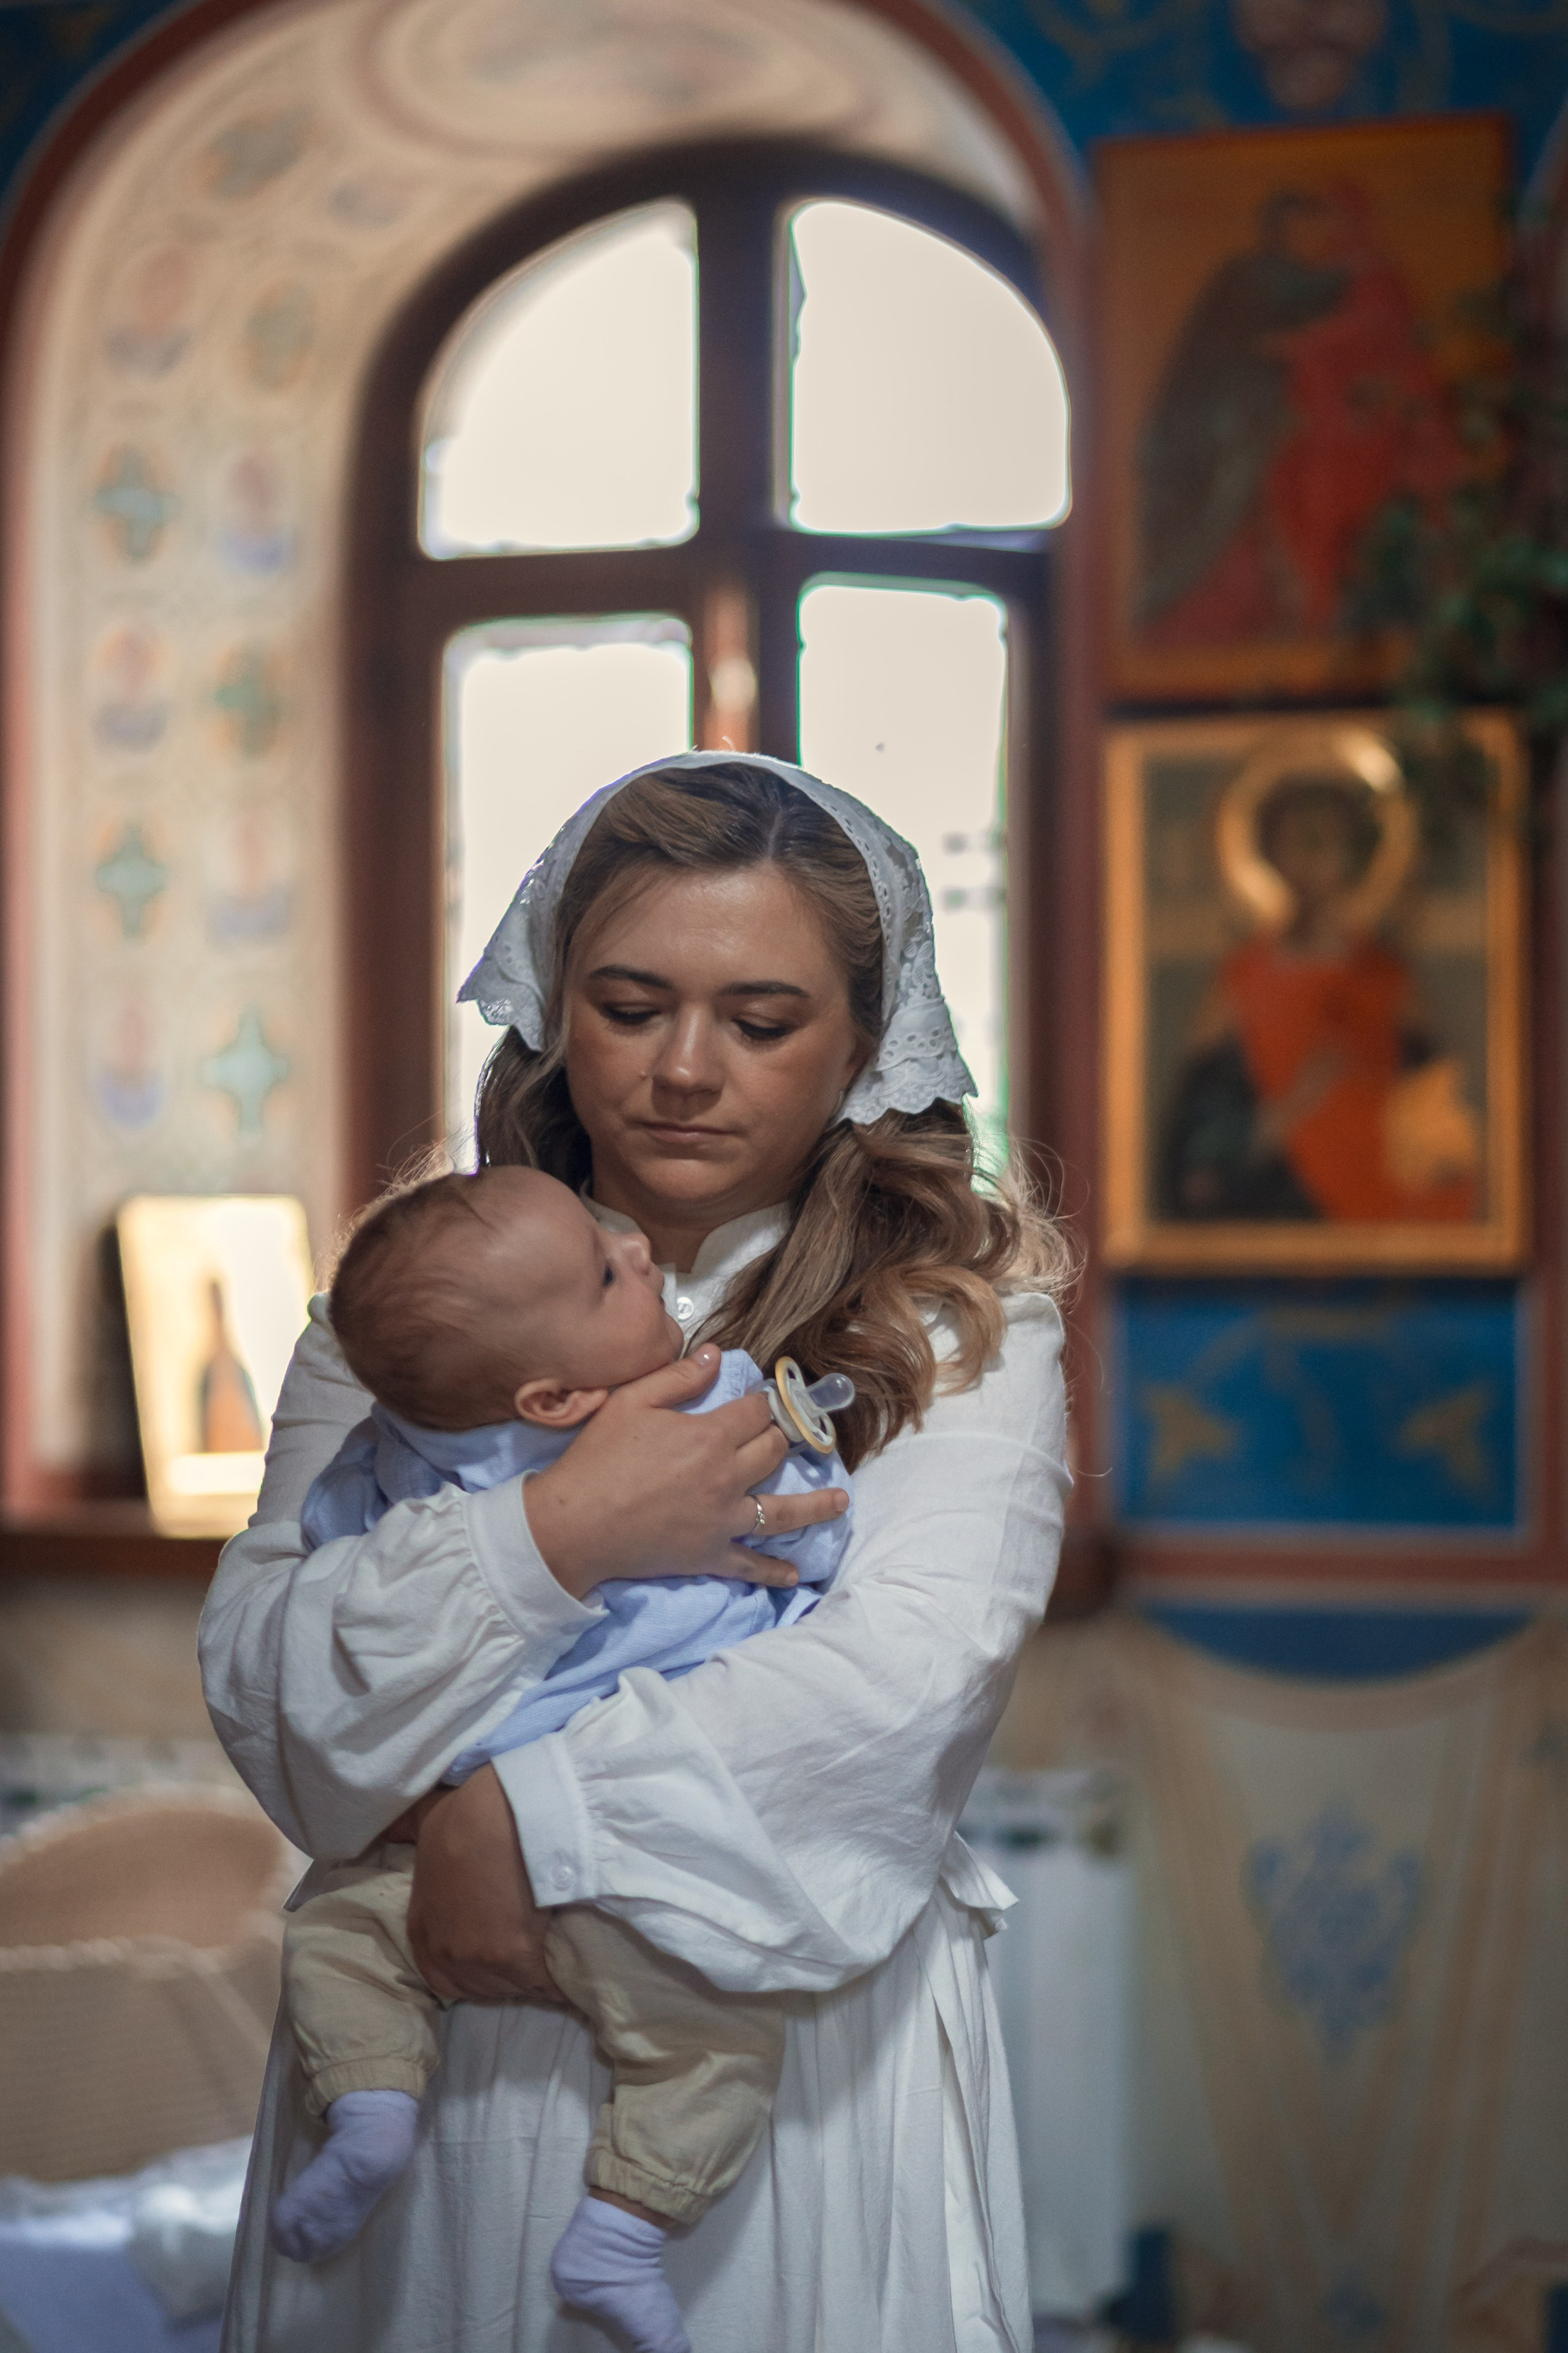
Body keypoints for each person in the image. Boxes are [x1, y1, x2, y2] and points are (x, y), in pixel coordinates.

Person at [200, 752, 1072, 2352]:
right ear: (553, 1007)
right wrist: (557, 1533)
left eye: (760, 1021)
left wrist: (515, 1815)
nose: (683, 1070)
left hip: (779, 2071)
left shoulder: (959, 1335)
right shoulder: (401, 1329)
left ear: (866, 1046)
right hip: (428, 2072)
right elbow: (275, 1703)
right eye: (628, 1005)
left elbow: (897, 1688)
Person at [271, 1166, 850, 2353]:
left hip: (460, 1831)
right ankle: (625, 2225)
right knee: (713, 2038)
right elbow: (818, 1532)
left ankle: (370, 2105)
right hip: (630, 1861)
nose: (637, 1250)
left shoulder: (394, 1453)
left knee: (336, 1935)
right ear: (554, 1395)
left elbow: (330, 1579)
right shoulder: (705, 1405)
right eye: (603, 1270)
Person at [1161, 777, 1479, 1222]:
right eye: (1299, 842)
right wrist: (1289, 1110)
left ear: (1356, 857)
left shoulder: (1385, 978)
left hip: (1384, 1191)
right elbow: (1201, 1131)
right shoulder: (1244, 979)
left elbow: (1432, 1099)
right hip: (1282, 1195)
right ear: (1274, 855)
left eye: (1330, 842)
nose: (1314, 859)